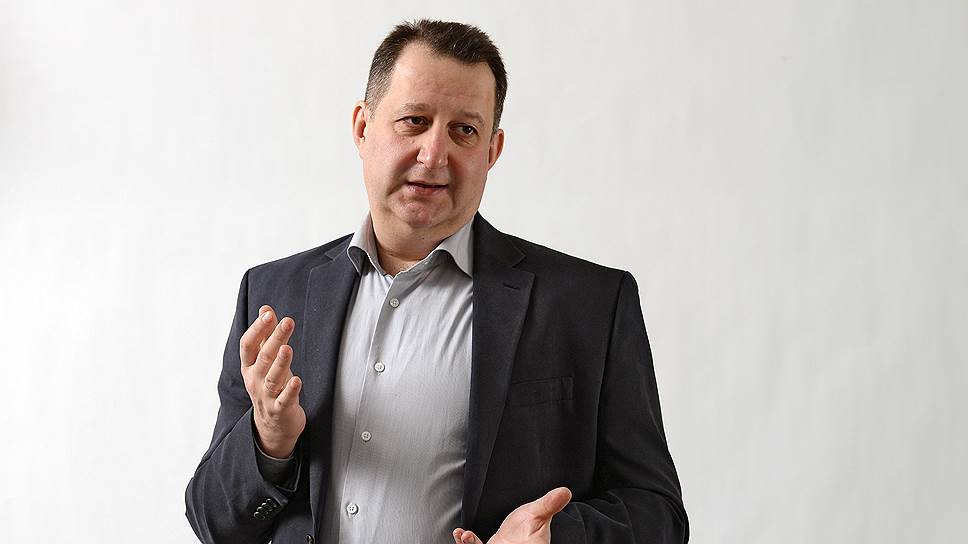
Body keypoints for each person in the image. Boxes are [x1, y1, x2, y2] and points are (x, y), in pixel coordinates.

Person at [185, 19, 688, 544]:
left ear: (491, 151)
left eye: (464, 130)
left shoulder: (589, 306)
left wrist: (555, 538)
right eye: (414, 121)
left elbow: (659, 517)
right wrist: (268, 442)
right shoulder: (273, 293)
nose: (434, 155)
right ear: (362, 127)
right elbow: (214, 523)